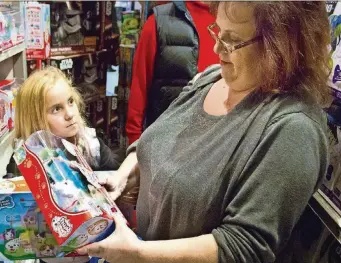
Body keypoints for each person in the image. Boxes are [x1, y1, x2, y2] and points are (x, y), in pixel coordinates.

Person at [78, 2, 331, 263]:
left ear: (282, 47)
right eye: (218, 31)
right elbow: (158, 139)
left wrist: (138, 254)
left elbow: (242, 247)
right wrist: (125, 174)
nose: (216, 48)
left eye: (232, 40)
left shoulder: (293, 130)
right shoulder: (210, 78)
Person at [12, 66, 121, 263]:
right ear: (34, 118)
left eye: (70, 102)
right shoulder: (26, 161)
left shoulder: (91, 146)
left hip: (97, 250)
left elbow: (114, 189)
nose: (70, 114)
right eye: (56, 109)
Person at [125, 1, 219, 144]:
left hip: (220, 140)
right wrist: (134, 140)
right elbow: (140, 84)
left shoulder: (239, 20)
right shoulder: (160, 20)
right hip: (167, 142)